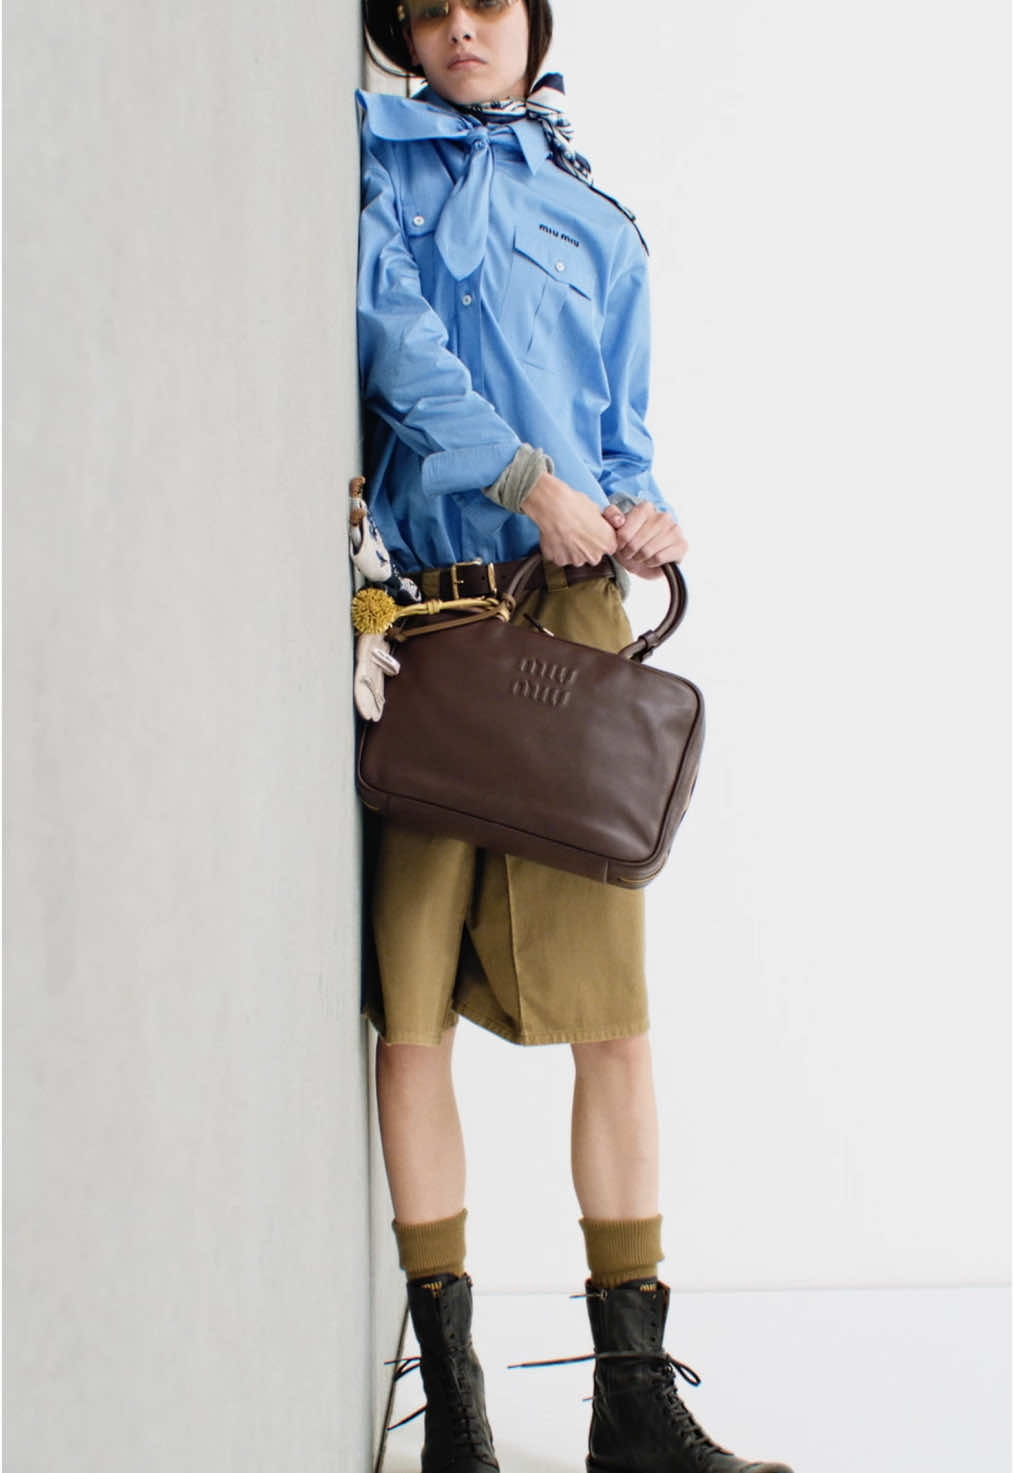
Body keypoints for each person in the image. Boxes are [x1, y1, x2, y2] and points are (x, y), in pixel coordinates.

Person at [356, 4, 794, 1471]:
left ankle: (633, 1405)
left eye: (485, 3)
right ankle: (456, 1412)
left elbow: (622, 431)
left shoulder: (594, 217)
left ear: (532, 22)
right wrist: (522, 476)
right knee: (411, 1015)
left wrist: (638, 508)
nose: (458, 28)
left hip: (577, 625)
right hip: (432, 623)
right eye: (429, 10)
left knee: (615, 1018)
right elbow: (395, 349)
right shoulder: (373, 161)